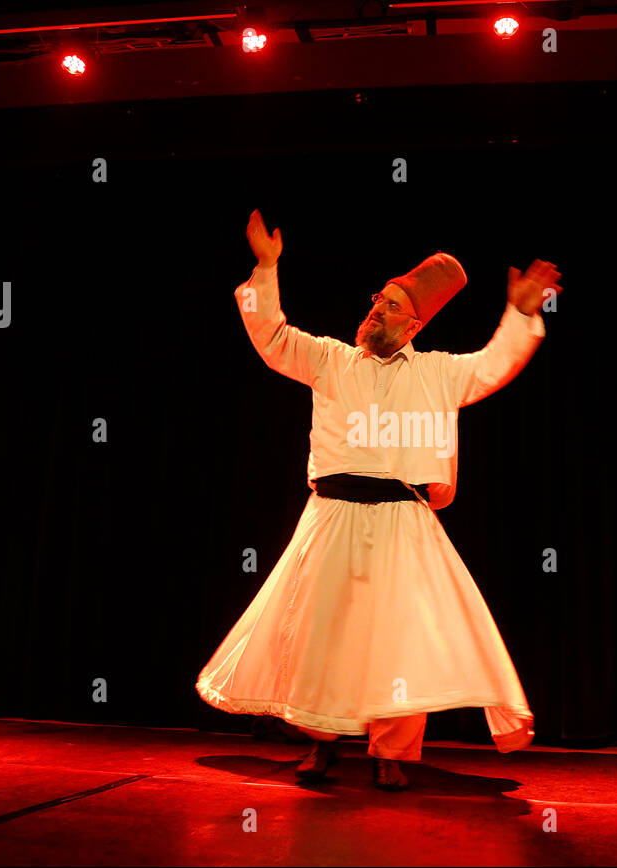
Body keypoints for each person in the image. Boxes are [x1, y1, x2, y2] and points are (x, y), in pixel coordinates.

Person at [197, 210, 559, 790]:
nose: (375, 310)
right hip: (333, 513)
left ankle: (392, 752)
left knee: (401, 636)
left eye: (390, 305)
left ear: (414, 324)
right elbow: (270, 337)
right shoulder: (332, 359)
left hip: (403, 518)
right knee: (325, 629)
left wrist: (520, 312)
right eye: (376, 301)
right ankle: (321, 742)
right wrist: (266, 269)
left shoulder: (439, 374)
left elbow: (495, 365)